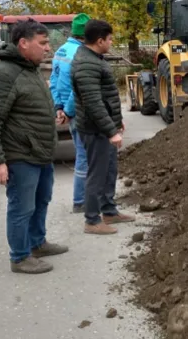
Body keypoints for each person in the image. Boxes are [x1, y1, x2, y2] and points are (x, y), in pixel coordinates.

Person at [0, 18, 69, 274]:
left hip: (39, 152)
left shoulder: (29, 69)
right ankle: (20, 257)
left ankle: (37, 243)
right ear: (24, 43)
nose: (48, 48)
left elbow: (26, 109)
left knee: (41, 201)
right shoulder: (3, 75)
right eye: (43, 43)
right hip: (20, 155)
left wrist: (53, 114)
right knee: (22, 207)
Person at [71, 19, 135, 235]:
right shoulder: (86, 63)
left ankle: (109, 211)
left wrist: (117, 121)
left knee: (109, 170)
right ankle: (91, 220)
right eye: (109, 39)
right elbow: (93, 102)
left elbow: (105, 97)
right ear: (100, 41)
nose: (111, 42)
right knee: (97, 174)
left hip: (104, 125)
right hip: (95, 129)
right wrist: (110, 130)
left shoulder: (94, 58)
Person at [49, 13, 91, 213]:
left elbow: (54, 82)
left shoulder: (61, 51)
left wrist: (58, 108)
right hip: (78, 110)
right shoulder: (81, 55)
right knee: (85, 156)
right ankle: (81, 201)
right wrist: (67, 109)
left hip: (68, 109)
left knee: (82, 154)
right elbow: (79, 89)